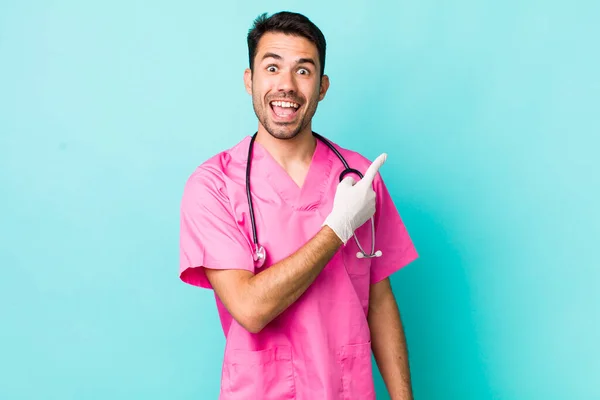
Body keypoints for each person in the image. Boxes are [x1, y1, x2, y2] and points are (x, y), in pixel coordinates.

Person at [179, 11, 419, 400]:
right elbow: (251, 308)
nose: (286, 85)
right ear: (249, 80)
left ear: (322, 87)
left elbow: (379, 298)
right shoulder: (213, 186)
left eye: (303, 71)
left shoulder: (357, 175)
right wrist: (338, 227)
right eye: (272, 67)